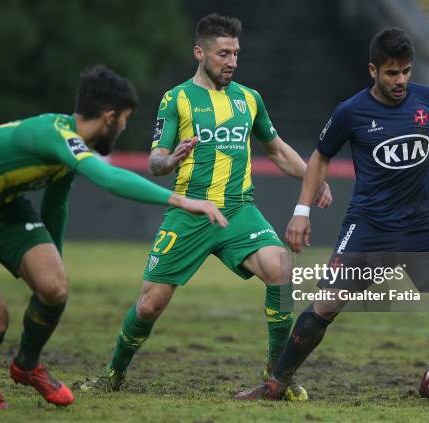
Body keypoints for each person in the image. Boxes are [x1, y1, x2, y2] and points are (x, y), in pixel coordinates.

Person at [0, 64, 227, 409]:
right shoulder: (57, 137)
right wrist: (180, 200)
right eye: (125, 119)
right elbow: (108, 179)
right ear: (110, 117)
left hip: (5, 207)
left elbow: (56, 205)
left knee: (54, 287)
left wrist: (52, 260)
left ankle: (26, 365)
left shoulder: (69, 139)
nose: (125, 127)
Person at [80, 13, 331, 401]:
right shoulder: (176, 99)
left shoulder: (250, 99)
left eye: (235, 53)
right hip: (190, 213)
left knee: (281, 270)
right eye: (222, 53)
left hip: (237, 210)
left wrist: (313, 182)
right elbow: (155, 162)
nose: (231, 61)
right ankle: (113, 373)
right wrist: (173, 158)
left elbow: (277, 150)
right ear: (200, 53)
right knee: (149, 306)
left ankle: (278, 372)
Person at [234, 28, 429, 405]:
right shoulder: (351, 112)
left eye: (406, 71)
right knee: (326, 305)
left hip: (422, 225)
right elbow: (320, 157)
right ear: (373, 70)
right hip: (370, 227)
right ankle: (276, 385)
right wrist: (301, 212)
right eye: (392, 73)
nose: (401, 80)